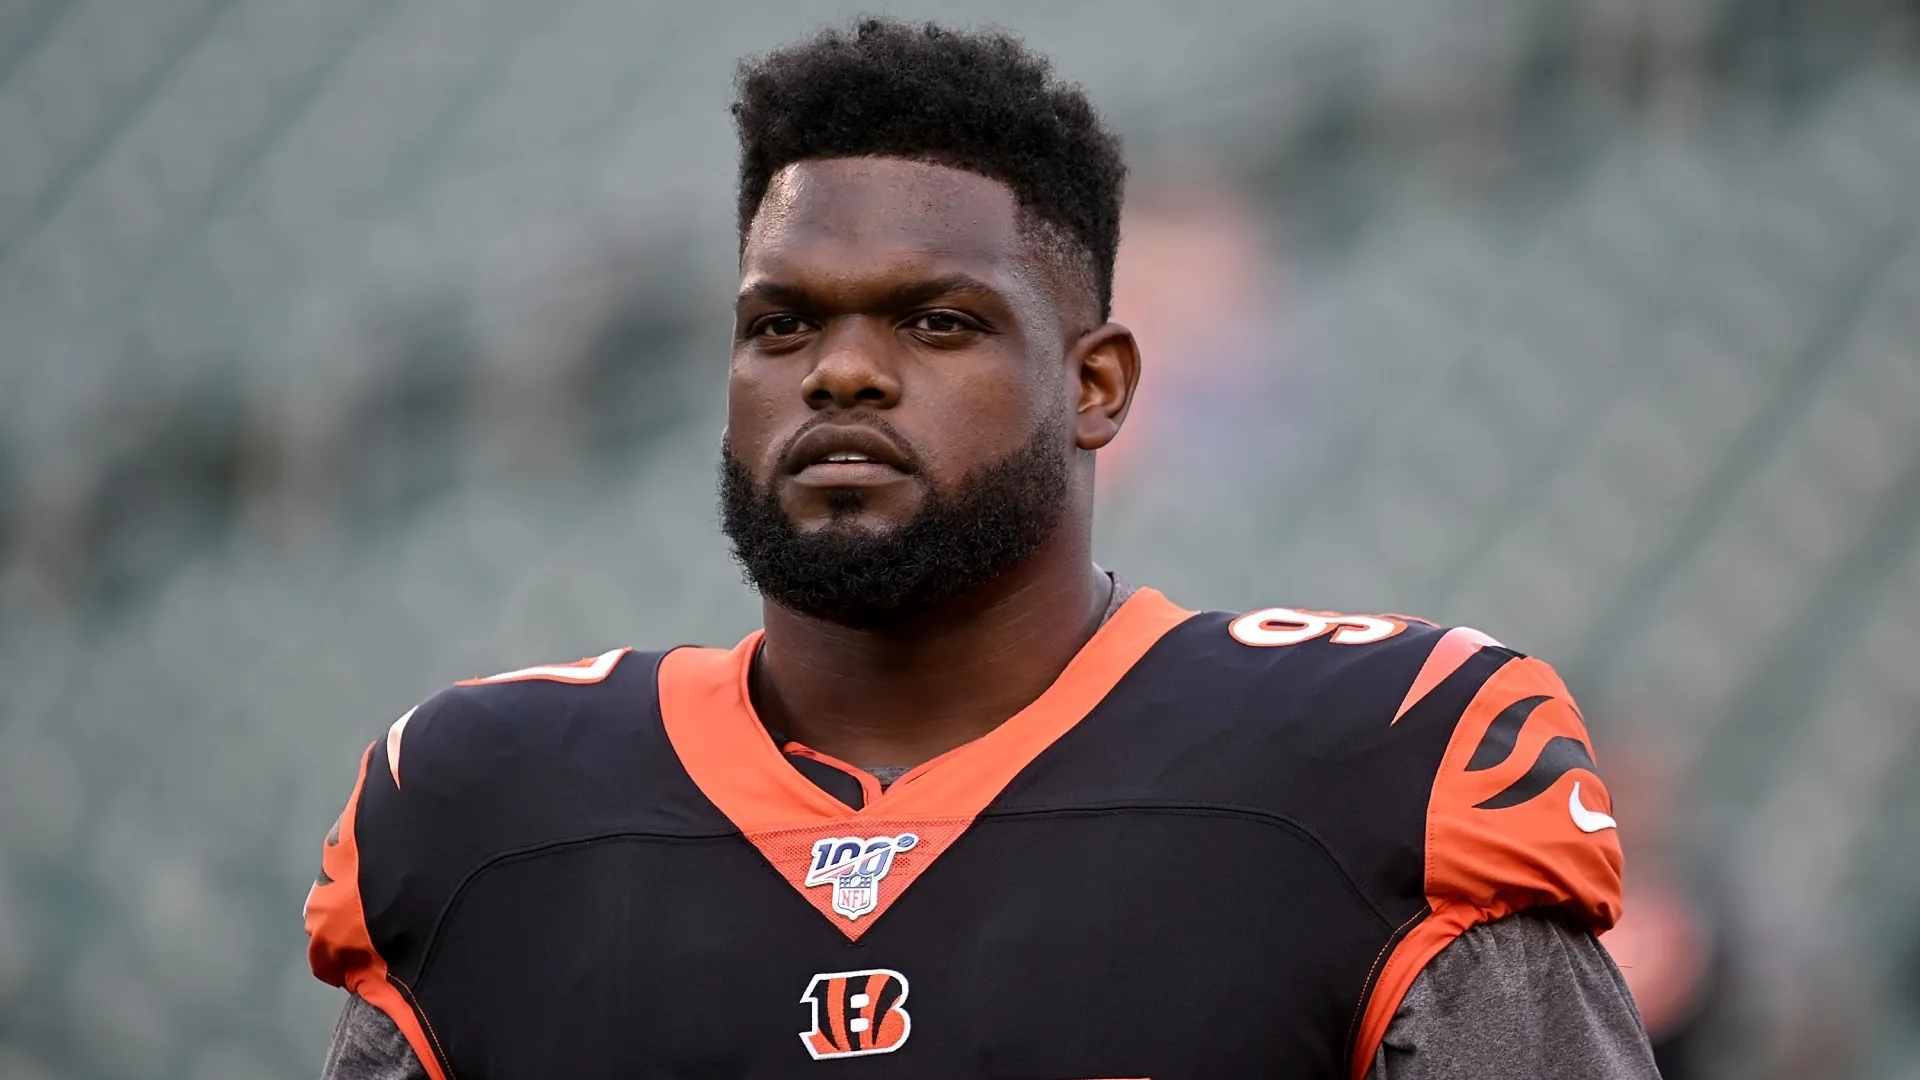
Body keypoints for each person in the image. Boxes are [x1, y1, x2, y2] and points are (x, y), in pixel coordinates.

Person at [306, 19, 1659, 1080]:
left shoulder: (1380, 768)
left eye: (936, 322)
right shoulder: (486, 816)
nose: (839, 371)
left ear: (1097, 386)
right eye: (781, 325)